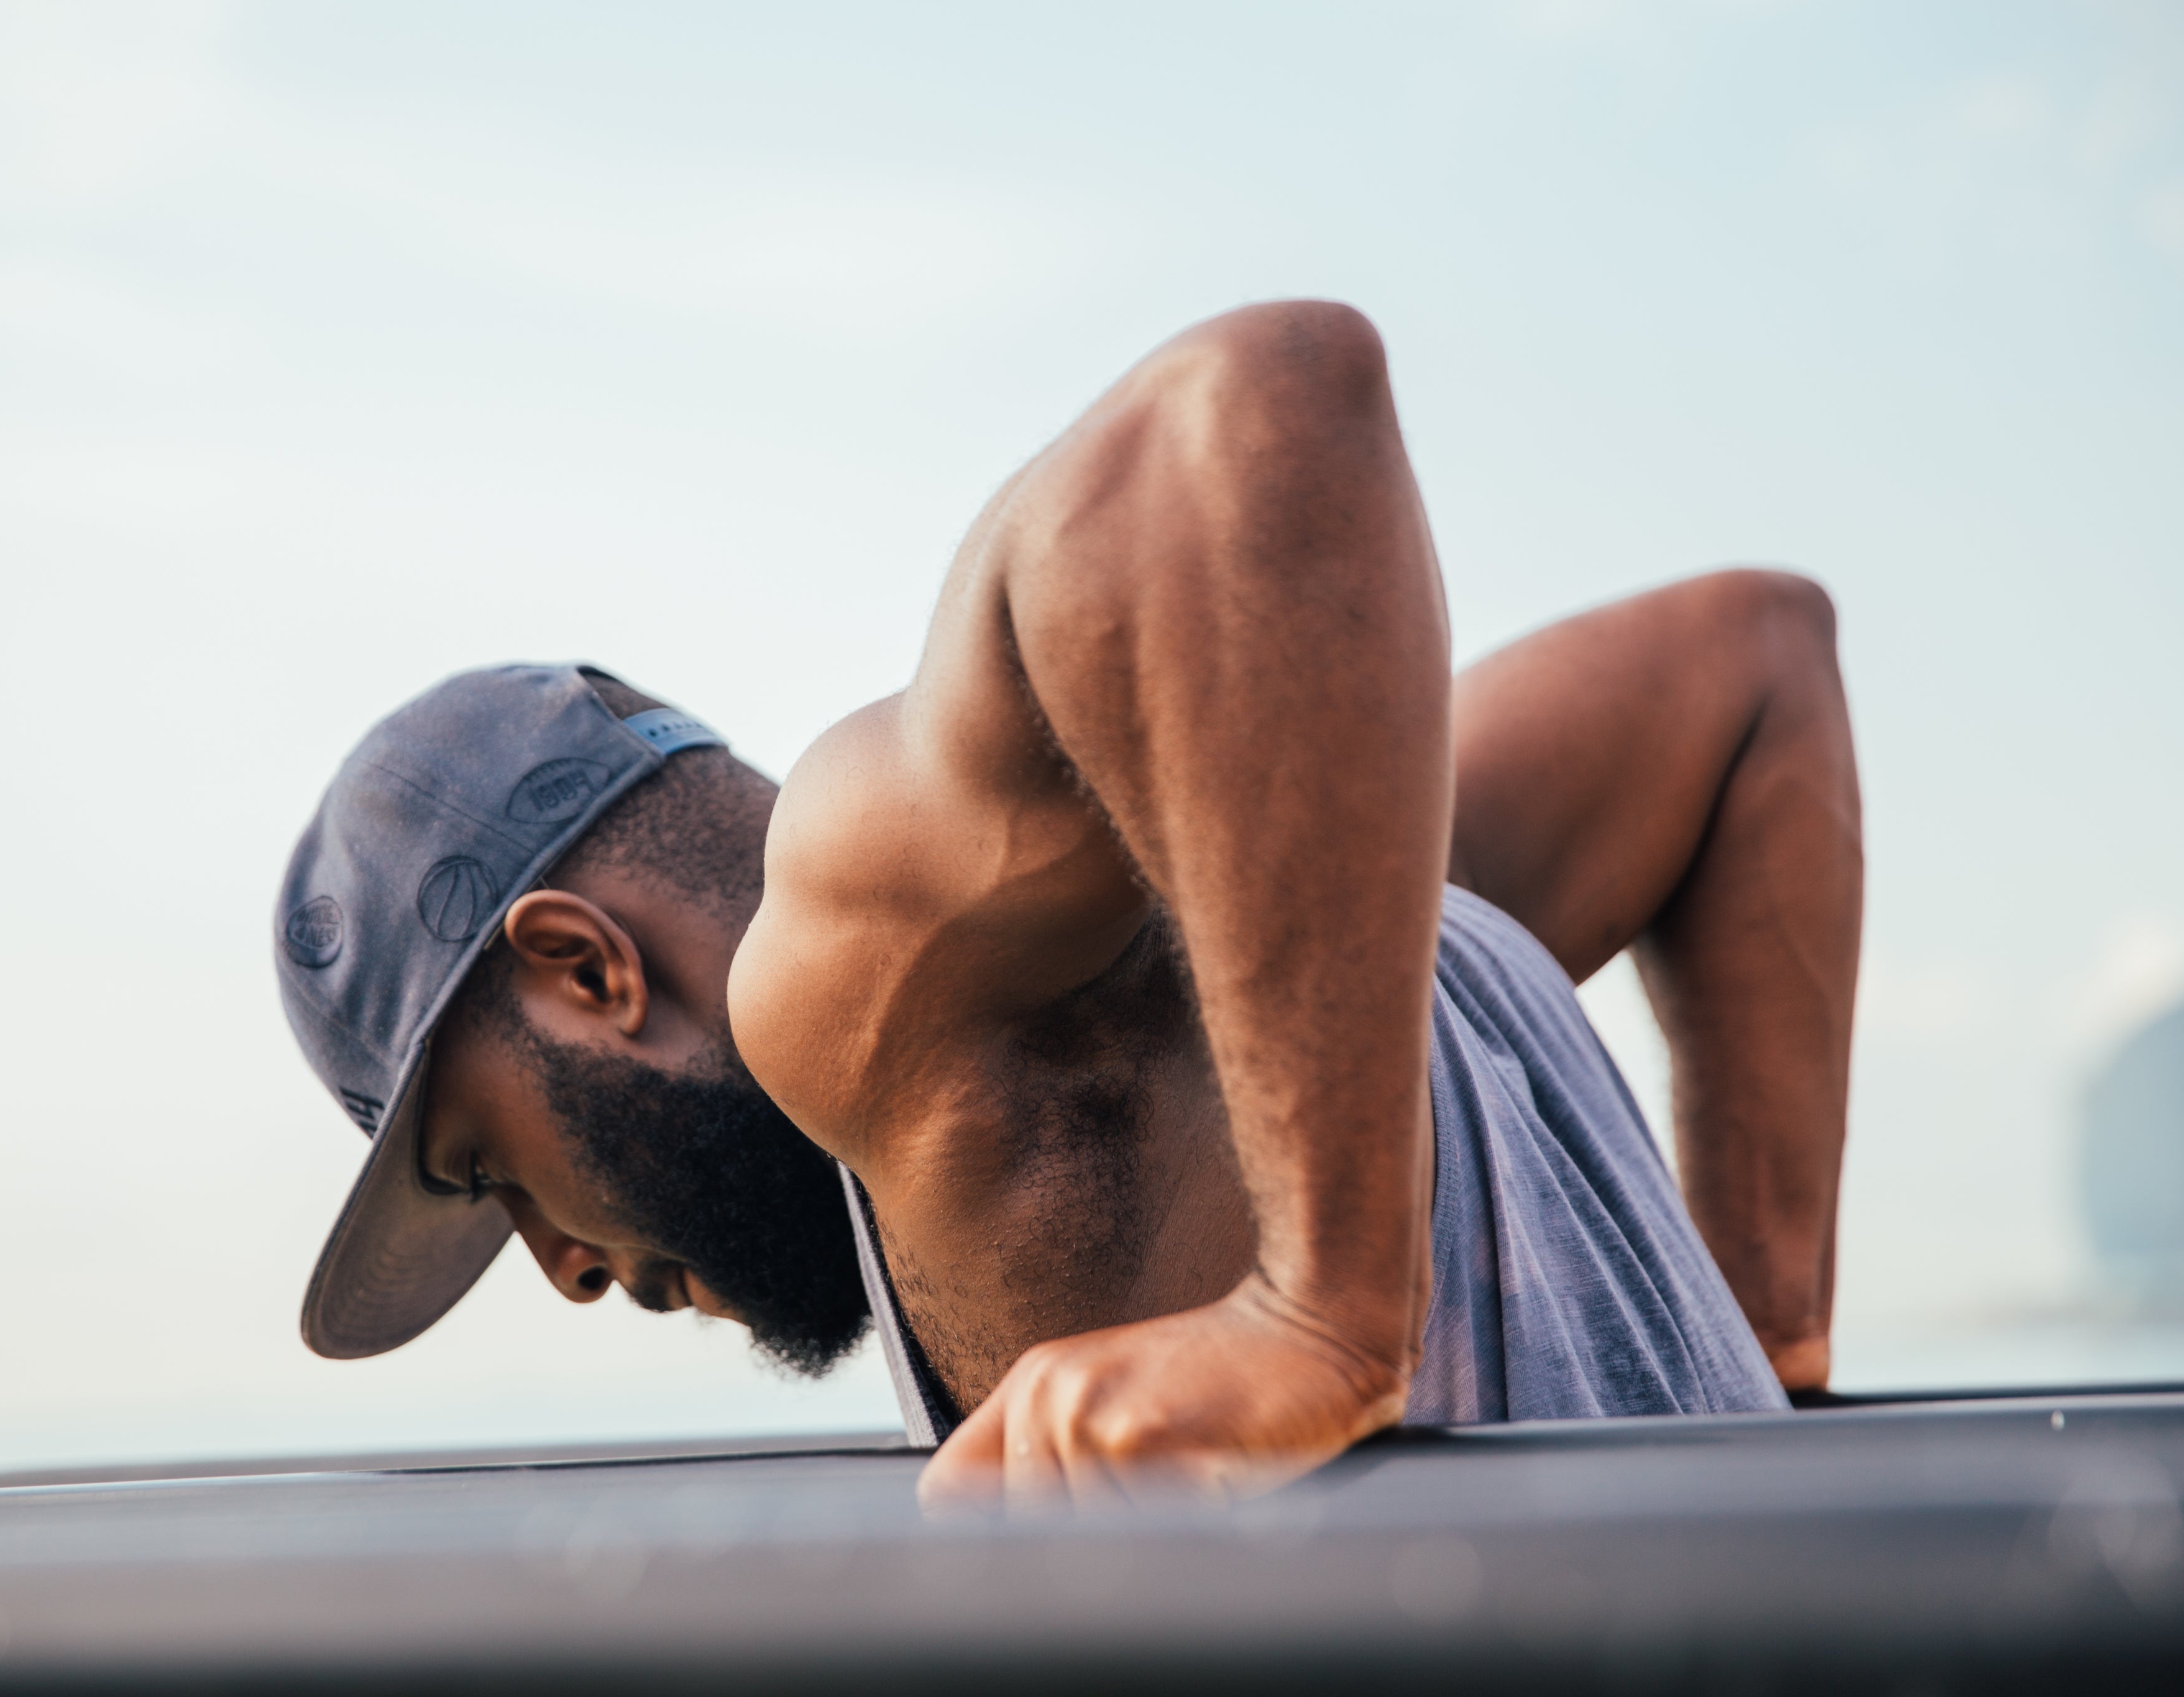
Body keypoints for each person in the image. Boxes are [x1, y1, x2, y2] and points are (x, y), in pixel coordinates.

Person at [272, 301, 1862, 1507]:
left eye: (488, 1169)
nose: (562, 1268)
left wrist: (1321, 1316)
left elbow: (1256, 400)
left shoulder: (837, 969)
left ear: (582, 969)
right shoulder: (1342, 932)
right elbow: (1753, 669)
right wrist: (1754, 1376)